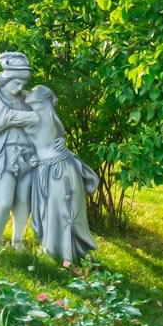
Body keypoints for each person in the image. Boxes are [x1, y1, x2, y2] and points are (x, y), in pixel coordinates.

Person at [24, 85, 98, 262]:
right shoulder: (48, 114)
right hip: (60, 166)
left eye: (33, 92)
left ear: (40, 100)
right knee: (60, 210)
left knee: (61, 211)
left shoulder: (35, 116)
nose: (28, 92)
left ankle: (62, 254)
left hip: (57, 170)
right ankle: (66, 253)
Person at [0, 52, 39, 249]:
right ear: (6, 79)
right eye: (16, 83)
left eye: (23, 83)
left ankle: (17, 240)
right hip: (4, 156)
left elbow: (42, 119)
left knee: (23, 201)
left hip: (29, 155)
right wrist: (3, 124)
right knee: (3, 202)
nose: (20, 87)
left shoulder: (27, 98)